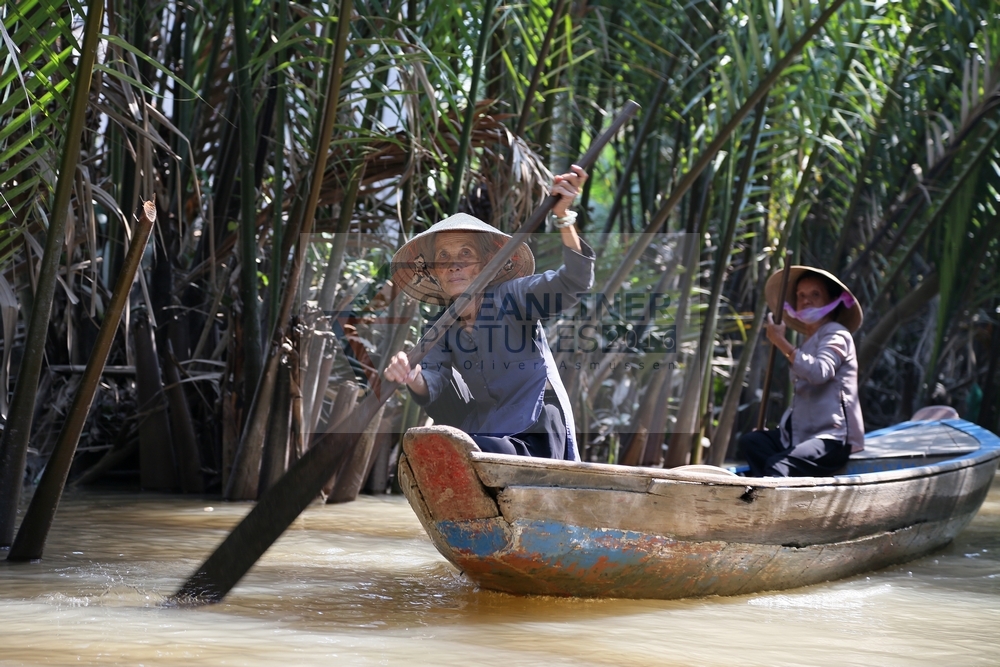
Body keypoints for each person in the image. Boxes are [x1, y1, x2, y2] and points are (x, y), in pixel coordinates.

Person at [384, 166, 592, 460]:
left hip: (535, 427)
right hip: (485, 430)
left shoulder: (514, 296)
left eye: (465, 254)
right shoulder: (439, 326)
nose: (454, 265)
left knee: (479, 451)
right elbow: (432, 381)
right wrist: (410, 374)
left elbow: (574, 281)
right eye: (443, 257)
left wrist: (563, 216)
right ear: (436, 272)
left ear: (483, 265)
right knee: (446, 443)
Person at [739, 266, 865, 477]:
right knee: (753, 442)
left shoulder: (836, 334)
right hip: (800, 438)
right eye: (801, 295)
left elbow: (819, 372)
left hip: (831, 440)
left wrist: (781, 342)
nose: (806, 300)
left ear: (832, 301)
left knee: (778, 466)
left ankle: (773, 494)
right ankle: (765, 492)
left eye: (815, 295)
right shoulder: (806, 343)